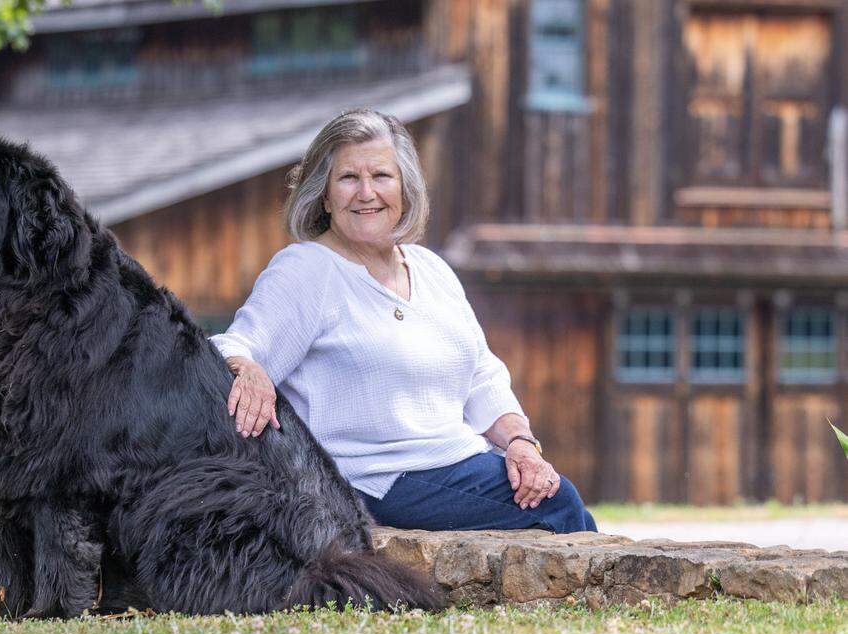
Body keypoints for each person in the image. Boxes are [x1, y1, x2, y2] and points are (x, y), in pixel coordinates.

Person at [209, 109, 596, 533]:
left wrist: (522, 444)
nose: (366, 192)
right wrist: (248, 368)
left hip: (454, 463)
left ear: (405, 189)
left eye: (381, 176)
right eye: (348, 178)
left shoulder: (431, 269)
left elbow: (482, 378)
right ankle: (601, 599)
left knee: (549, 487)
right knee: (557, 503)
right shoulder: (307, 270)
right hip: (372, 479)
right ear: (324, 195)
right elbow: (232, 343)